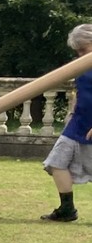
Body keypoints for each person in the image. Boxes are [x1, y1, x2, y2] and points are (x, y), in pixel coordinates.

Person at [40, 23, 92, 221]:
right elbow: (82, 92)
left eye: (83, 50)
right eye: (77, 51)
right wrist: (72, 111)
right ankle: (67, 210)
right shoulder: (80, 66)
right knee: (56, 162)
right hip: (79, 123)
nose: (80, 55)